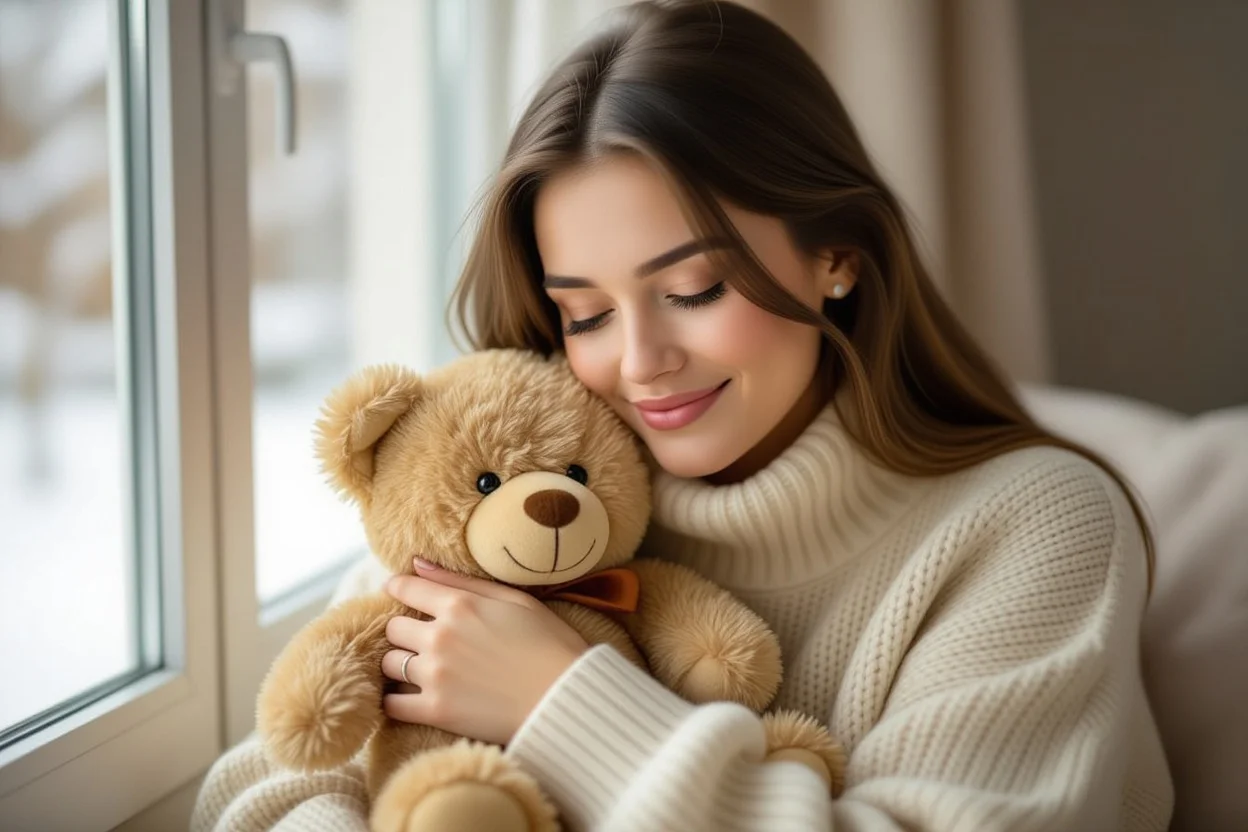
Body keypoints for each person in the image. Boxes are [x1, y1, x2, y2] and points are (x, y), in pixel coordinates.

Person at [192, 1, 1174, 829]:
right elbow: (269, 779)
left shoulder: (1040, 526)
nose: (638, 363)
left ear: (837, 253)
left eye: (696, 288)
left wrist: (558, 699)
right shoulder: (525, 478)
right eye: (583, 312)